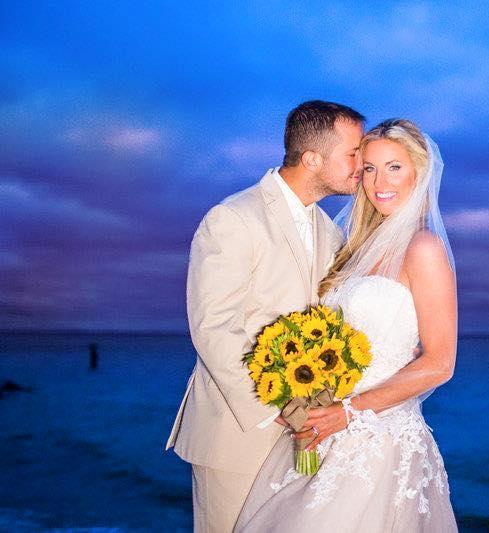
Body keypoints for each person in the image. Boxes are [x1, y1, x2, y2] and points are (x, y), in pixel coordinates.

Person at [235, 119, 459, 532]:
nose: (379, 182)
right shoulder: (356, 250)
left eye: (394, 167)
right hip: (325, 428)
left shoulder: (423, 248)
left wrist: (349, 412)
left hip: (379, 438)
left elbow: (440, 363)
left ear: (420, 172)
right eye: (369, 168)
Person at [165, 100, 366, 532]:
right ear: (312, 158)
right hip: (238, 434)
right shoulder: (233, 218)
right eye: (353, 153)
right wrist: (279, 404)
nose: (361, 164)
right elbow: (213, 326)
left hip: (306, 432)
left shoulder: (329, 229)